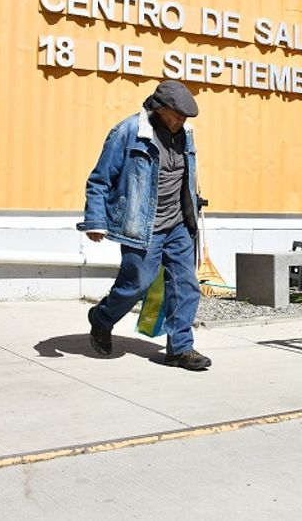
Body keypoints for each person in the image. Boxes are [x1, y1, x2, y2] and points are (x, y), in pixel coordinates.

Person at [77, 80, 212, 371]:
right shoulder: (128, 132)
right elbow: (99, 180)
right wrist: (96, 220)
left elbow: (184, 176)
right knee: (135, 284)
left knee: (186, 286)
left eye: (185, 117)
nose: (182, 121)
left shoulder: (186, 134)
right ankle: (101, 318)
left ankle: (180, 348)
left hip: (179, 225)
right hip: (143, 226)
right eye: (177, 115)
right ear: (160, 108)